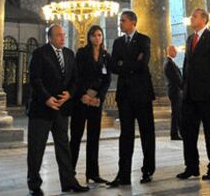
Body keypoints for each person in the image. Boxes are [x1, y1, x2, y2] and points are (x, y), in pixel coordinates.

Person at [26, 24, 89, 196]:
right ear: (50, 37)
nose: (63, 37)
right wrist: (47, 98)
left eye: (63, 35)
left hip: (62, 109)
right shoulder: (40, 54)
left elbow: (75, 79)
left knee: (64, 147)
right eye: (59, 35)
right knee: (36, 148)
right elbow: (35, 79)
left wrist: (70, 94)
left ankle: (69, 181)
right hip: (41, 109)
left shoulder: (69, 54)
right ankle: (34, 185)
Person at [107, 10, 156, 187]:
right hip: (125, 95)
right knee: (125, 135)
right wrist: (130, 64)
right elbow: (113, 66)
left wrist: (123, 64)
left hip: (142, 95)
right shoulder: (118, 42)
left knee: (147, 134)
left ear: (133, 22)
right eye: (120, 21)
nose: (120, 23)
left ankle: (148, 170)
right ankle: (124, 175)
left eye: (123, 21)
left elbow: (143, 64)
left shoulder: (144, 40)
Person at [176, 8, 210, 181]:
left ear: (204, 19)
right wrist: (183, 88)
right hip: (190, 95)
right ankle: (191, 167)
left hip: (207, 94)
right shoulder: (190, 39)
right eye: (191, 16)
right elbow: (187, 66)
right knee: (189, 133)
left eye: (194, 16)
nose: (191, 18)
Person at [70, 25, 111, 184]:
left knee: (94, 138)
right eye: (94, 35)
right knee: (76, 137)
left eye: (99, 35)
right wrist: (83, 95)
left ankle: (93, 173)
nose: (97, 38)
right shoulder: (81, 53)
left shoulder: (106, 56)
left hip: (95, 103)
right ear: (89, 37)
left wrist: (98, 97)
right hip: (81, 101)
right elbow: (76, 76)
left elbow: (106, 80)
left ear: (102, 37)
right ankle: (70, 172)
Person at [164, 45, 183, 140]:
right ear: (170, 51)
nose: (176, 53)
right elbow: (175, 78)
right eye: (175, 51)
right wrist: (183, 86)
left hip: (175, 90)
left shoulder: (170, 62)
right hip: (174, 91)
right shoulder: (169, 63)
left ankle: (179, 132)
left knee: (177, 112)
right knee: (176, 113)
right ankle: (174, 133)